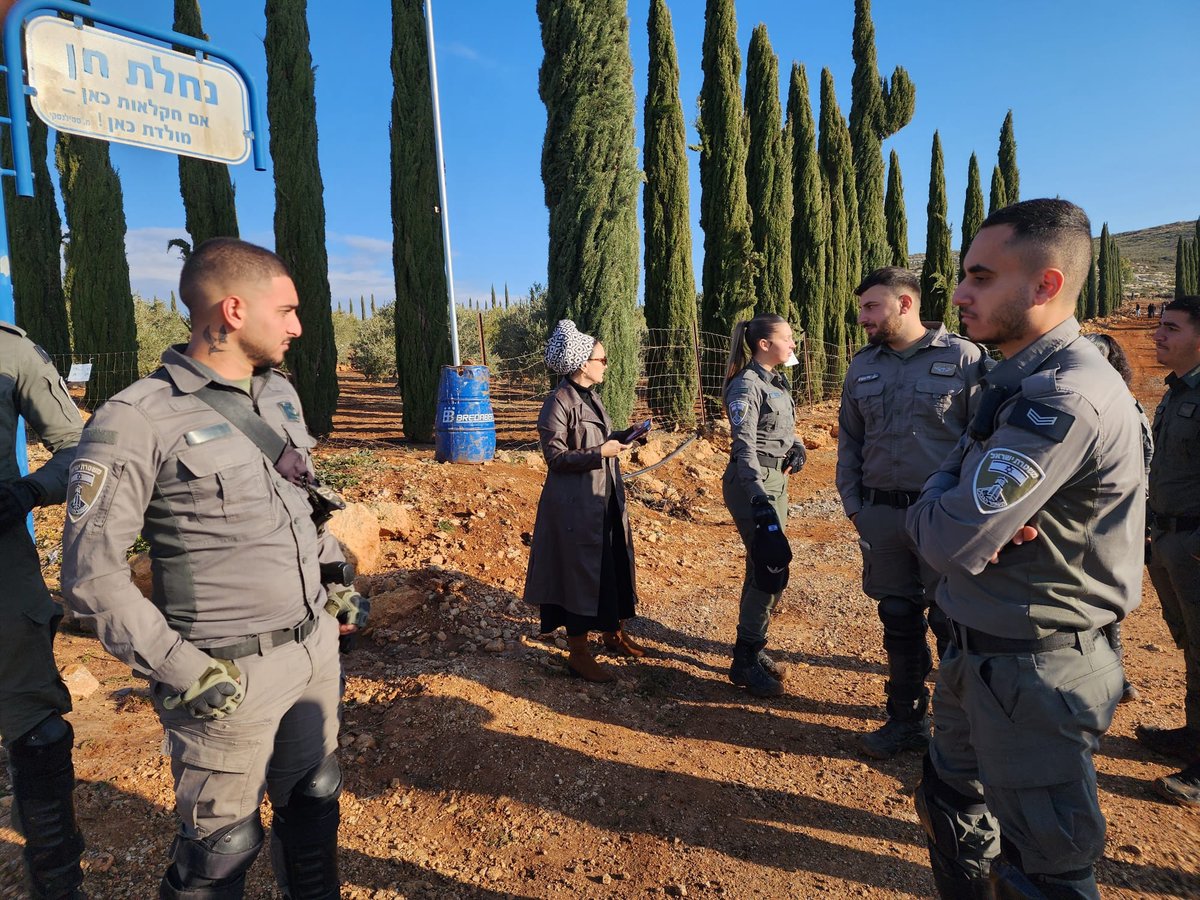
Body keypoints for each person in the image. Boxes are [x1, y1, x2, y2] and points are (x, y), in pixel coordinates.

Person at [60, 238, 367, 899]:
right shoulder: (135, 419)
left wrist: (343, 605)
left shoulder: (280, 396)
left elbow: (304, 518)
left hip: (312, 652)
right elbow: (92, 576)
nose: (297, 325)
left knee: (314, 803)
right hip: (225, 676)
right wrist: (183, 670)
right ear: (232, 310)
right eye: (286, 309)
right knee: (221, 851)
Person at [906, 199, 1145, 898]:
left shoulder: (1063, 398)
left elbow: (946, 538)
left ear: (1044, 285)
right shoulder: (1014, 381)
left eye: (981, 277)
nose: (958, 294)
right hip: (979, 650)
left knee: (1043, 873)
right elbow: (964, 523)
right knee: (953, 812)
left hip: (1034, 674)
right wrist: (956, 491)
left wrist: (938, 493)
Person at [837, 267, 988, 759]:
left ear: (906, 305)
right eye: (862, 308)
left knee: (952, 622)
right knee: (897, 617)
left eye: (871, 307)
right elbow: (851, 443)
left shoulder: (964, 358)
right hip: (882, 517)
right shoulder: (862, 367)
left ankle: (961, 733)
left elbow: (984, 442)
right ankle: (905, 720)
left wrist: (970, 515)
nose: (862, 318)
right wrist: (856, 506)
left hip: (942, 518)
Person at [0, 323, 86, 899]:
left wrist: (27, 493)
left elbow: (77, 446)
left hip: (3, 575)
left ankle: (58, 888)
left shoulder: (8, 349)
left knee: (36, 731)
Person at [524, 319, 644, 683]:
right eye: (602, 359)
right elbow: (556, 459)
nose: (606, 364)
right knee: (577, 576)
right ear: (581, 364)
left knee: (612, 564)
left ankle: (613, 634)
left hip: (602, 497)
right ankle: (578, 653)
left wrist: (625, 438)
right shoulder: (557, 404)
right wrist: (600, 452)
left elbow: (600, 441)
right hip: (574, 508)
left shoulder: (591, 396)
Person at [722, 313, 806, 699]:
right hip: (753, 483)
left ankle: (753, 647)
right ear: (764, 344)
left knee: (766, 565)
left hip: (776, 480)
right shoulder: (747, 386)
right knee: (769, 566)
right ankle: (744, 661)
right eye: (787, 338)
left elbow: (779, 430)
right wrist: (757, 496)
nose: (793, 344)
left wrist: (797, 447)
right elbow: (744, 448)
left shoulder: (776, 381)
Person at [1139, 294, 1200, 808]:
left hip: (1195, 543)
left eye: (1171, 328)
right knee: (1190, 643)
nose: (1158, 335)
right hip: (1170, 539)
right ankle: (1192, 733)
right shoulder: (1179, 391)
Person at [1083, 332, 1150, 705]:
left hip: (1112, 516)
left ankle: (1115, 680)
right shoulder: (1116, 403)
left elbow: (1141, 466)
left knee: (1104, 602)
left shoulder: (1123, 407)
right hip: (1103, 515)